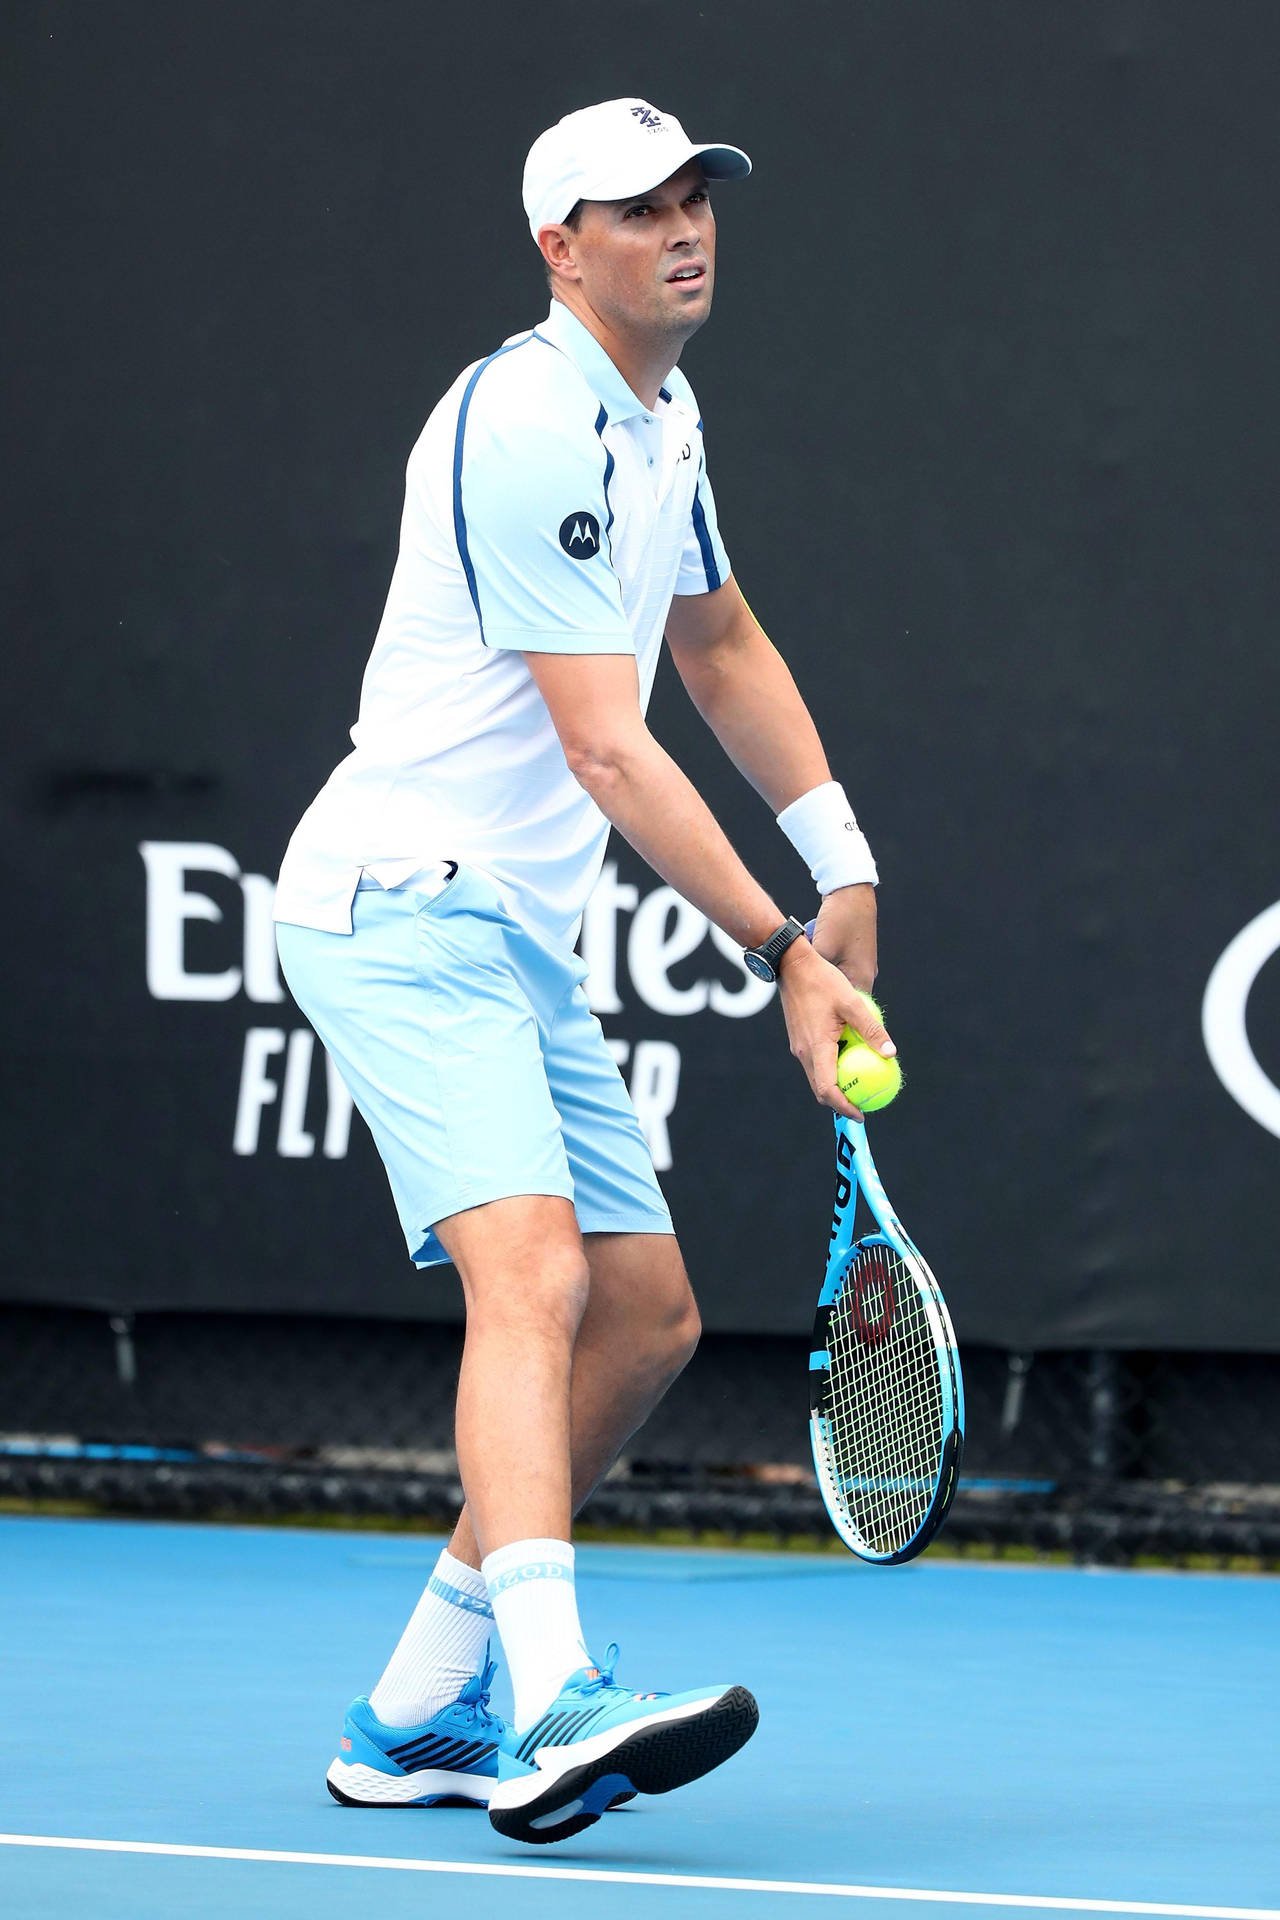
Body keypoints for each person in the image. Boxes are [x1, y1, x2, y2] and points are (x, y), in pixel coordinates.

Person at [273, 96, 894, 1848]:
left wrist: (843, 856)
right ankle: (550, 1703)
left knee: (642, 1320)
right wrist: (779, 944)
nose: (684, 228)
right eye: (638, 208)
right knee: (534, 1280)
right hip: (400, 901)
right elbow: (608, 750)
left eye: (697, 198)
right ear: (561, 247)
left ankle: (412, 1713)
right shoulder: (526, 421)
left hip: (513, 934)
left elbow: (718, 639)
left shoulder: (662, 416)